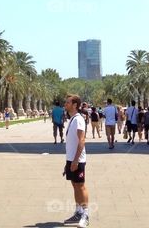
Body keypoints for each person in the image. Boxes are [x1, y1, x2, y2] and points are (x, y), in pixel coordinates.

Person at [61, 95, 90, 227]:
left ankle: (85, 215)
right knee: (75, 185)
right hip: (71, 159)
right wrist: (68, 162)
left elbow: (82, 140)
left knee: (80, 185)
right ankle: (78, 212)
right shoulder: (73, 119)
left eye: (68, 102)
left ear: (75, 105)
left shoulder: (78, 119)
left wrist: (76, 160)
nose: (65, 104)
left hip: (78, 159)